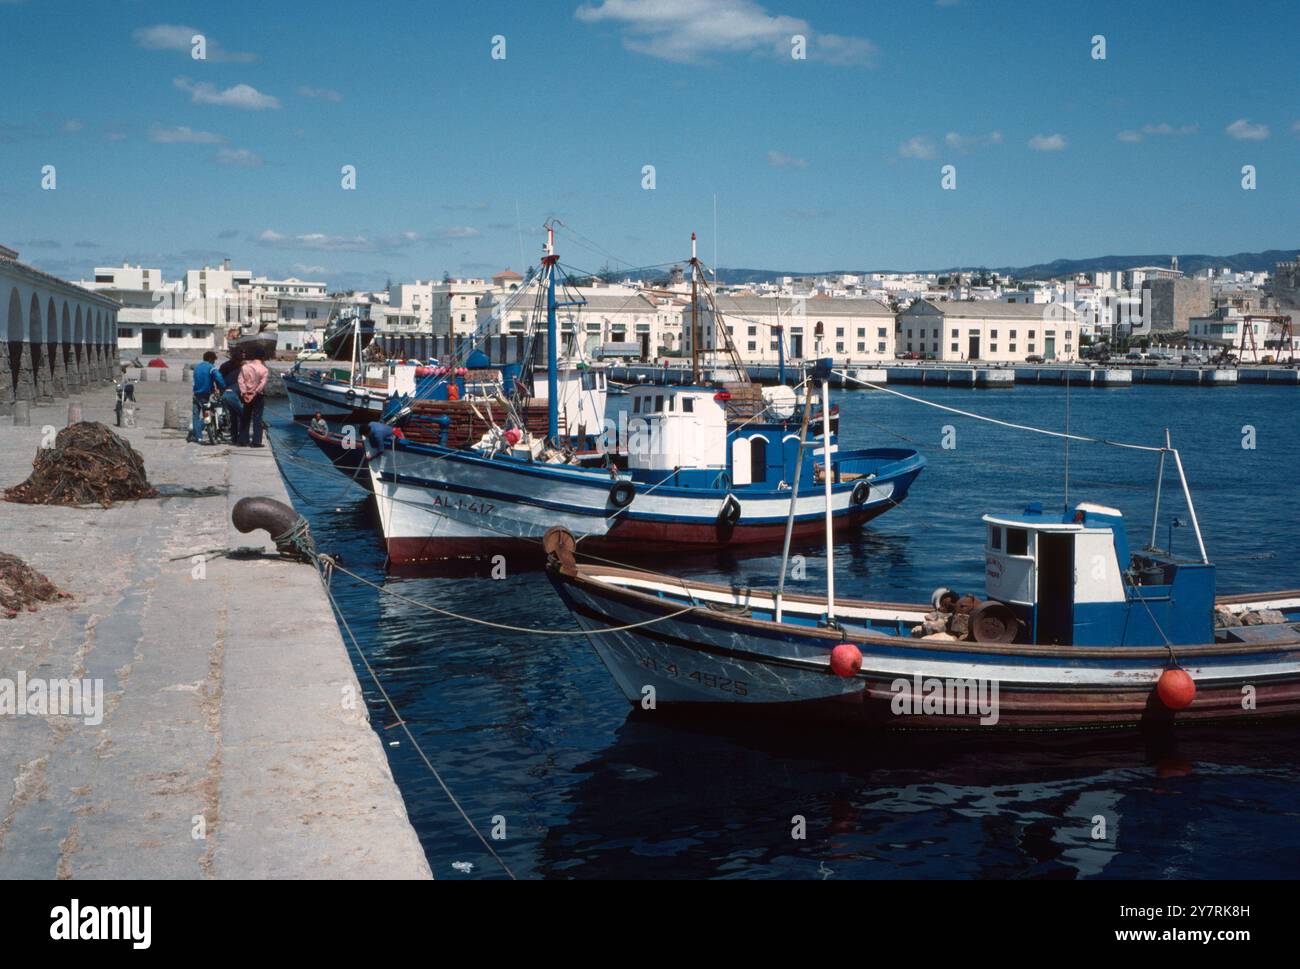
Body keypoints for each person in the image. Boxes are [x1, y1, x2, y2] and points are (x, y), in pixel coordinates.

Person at [189, 351, 225, 444]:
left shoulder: (197, 367)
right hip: (206, 394)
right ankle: (200, 432)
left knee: (195, 415)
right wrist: (223, 387)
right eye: (213, 360)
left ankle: (198, 436)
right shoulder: (211, 368)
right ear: (210, 359)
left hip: (196, 394)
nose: (214, 362)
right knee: (207, 414)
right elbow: (219, 378)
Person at [237, 346, 270, 447]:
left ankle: (243, 440)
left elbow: (240, 380)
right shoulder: (264, 369)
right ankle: (256, 441)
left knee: (245, 417)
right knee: (257, 418)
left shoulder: (245, 367)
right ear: (263, 357)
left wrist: (244, 392)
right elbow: (262, 384)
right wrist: (254, 392)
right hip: (257, 396)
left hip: (246, 395)